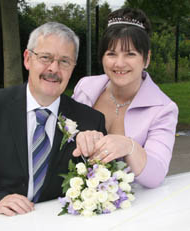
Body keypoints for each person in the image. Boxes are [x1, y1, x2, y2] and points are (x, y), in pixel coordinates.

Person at [0, 22, 106, 218]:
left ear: (73, 67)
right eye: (45, 57)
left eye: (65, 61)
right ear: (27, 59)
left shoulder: (91, 121)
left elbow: (100, 181)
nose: (54, 68)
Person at [72, 8, 178, 189]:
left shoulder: (163, 108)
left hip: (131, 207)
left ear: (146, 59)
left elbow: (156, 175)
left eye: (130, 54)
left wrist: (129, 147)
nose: (119, 63)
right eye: (111, 54)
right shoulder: (85, 88)